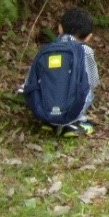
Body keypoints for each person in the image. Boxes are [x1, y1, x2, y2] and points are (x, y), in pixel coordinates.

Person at [22, 7, 99, 137]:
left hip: (42, 109)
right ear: (88, 37)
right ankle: (74, 122)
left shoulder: (46, 50)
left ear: (60, 28)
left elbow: (30, 80)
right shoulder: (85, 51)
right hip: (72, 109)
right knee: (88, 90)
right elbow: (93, 81)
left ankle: (49, 121)